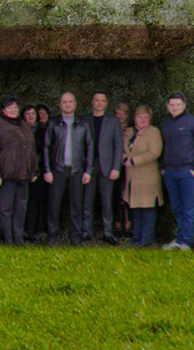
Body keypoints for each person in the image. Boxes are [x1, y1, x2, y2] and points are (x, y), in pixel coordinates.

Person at [158, 92, 194, 251]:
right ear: (167, 106)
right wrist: (162, 168)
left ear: (184, 105)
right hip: (170, 173)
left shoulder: (193, 122)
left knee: (188, 208)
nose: (175, 108)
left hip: (188, 172)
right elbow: (161, 148)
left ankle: (186, 242)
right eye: (172, 105)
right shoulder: (165, 125)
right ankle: (179, 239)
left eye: (178, 105)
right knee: (177, 207)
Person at [43, 91, 94, 245]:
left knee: (76, 207)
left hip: (77, 171)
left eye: (70, 101)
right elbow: (46, 147)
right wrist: (47, 170)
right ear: (60, 104)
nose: (67, 104)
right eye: (64, 102)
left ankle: (76, 238)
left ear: (75, 104)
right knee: (54, 206)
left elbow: (90, 147)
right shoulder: (53, 123)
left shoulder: (83, 124)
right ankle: (52, 238)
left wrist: (88, 170)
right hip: (57, 171)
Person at [0, 96, 37, 244]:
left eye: (15, 107)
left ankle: (18, 240)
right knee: (5, 210)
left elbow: (31, 149)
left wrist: (33, 170)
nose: (13, 110)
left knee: (20, 209)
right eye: (10, 107)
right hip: (6, 176)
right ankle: (8, 240)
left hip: (23, 175)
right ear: (3, 110)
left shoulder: (23, 125)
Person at [82, 91, 124, 245]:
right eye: (96, 100)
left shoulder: (112, 121)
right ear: (92, 102)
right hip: (89, 166)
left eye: (102, 100)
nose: (99, 103)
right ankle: (86, 232)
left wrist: (116, 168)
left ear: (106, 103)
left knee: (107, 202)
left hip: (106, 167)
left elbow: (118, 145)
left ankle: (108, 232)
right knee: (87, 201)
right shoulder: (84, 119)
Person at [122, 105, 163, 246]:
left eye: (146, 117)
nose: (143, 120)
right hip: (132, 178)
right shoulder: (128, 131)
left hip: (148, 177)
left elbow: (154, 152)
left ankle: (146, 239)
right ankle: (135, 236)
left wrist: (134, 160)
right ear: (134, 118)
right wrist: (123, 158)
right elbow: (121, 148)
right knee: (134, 208)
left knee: (147, 208)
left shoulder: (154, 132)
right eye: (140, 117)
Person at [25, 103, 52, 242]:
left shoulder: (43, 131)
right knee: (30, 202)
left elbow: (45, 149)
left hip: (41, 170)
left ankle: (41, 228)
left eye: (33, 114)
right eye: (28, 114)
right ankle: (29, 230)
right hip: (25, 171)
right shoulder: (21, 130)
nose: (31, 117)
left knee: (42, 200)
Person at [112, 102, 133, 239]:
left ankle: (129, 224)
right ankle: (117, 223)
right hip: (114, 165)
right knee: (116, 195)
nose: (120, 116)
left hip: (128, 166)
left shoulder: (131, 130)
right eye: (118, 114)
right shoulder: (111, 127)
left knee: (127, 195)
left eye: (123, 114)